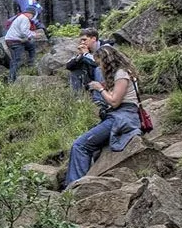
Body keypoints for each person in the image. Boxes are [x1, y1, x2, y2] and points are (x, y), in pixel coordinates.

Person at [62, 46, 146, 187]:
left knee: (80, 145)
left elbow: (114, 101)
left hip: (122, 116)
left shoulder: (121, 74)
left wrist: (99, 88)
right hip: (123, 114)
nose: (99, 67)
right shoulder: (125, 72)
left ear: (107, 61)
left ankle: (73, 187)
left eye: (100, 62)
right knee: (93, 148)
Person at [3, 0, 41, 82]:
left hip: (10, 40)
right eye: (33, 15)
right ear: (30, 14)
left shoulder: (20, 17)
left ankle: (30, 64)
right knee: (17, 60)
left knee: (30, 46)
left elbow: (22, 31)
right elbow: (24, 31)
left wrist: (29, 36)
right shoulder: (25, 19)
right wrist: (34, 35)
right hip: (15, 41)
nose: (33, 17)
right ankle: (12, 78)